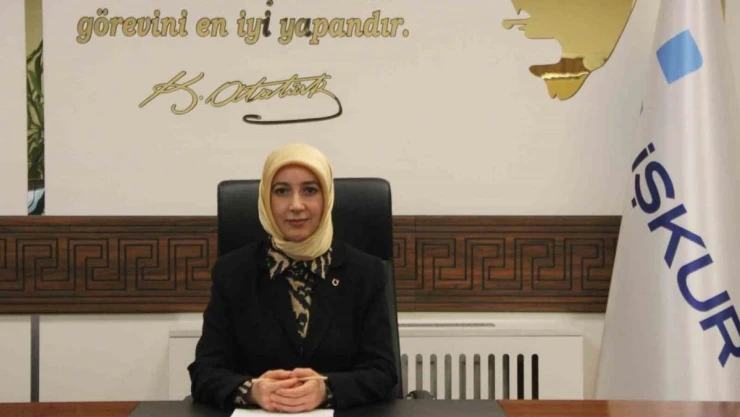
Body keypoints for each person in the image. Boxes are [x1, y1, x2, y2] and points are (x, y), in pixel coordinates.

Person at [188, 143, 398, 412]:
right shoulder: (233, 273)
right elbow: (205, 372)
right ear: (266, 200)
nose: (296, 205)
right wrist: (252, 391)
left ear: (327, 198)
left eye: (309, 190)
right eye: (282, 191)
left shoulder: (365, 272)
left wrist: (327, 389)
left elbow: (382, 372)